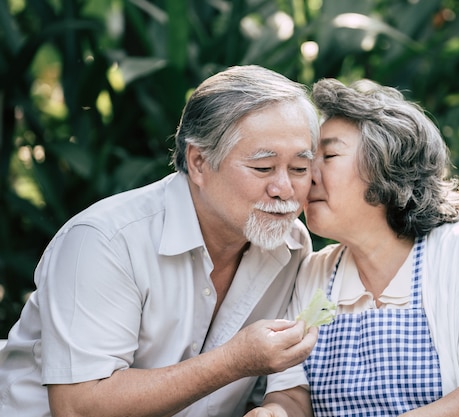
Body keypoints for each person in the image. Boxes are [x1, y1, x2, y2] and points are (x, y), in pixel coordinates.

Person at [0, 65, 321, 417]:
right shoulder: (106, 241)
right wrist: (233, 361)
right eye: (263, 168)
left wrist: (276, 408)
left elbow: (278, 385)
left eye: (299, 169)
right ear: (198, 162)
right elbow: (79, 408)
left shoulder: (290, 246)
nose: (284, 190)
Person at [247, 78, 459, 417]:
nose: (305, 174)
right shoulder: (314, 273)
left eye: (328, 155)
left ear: (386, 167)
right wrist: (276, 412)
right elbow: (291, 392)